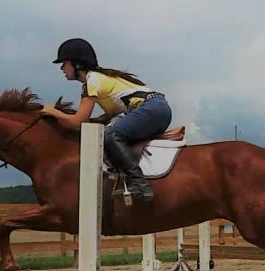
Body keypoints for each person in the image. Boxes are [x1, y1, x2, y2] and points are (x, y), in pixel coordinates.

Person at [41, 38, 172, 201]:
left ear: (77, 64)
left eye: (64, 63)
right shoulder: (100, 79)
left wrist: (52, 111)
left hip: (151, 109)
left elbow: (77, 122)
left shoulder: (92, 81)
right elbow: (101, 119)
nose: (62, 68)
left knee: (110, 135)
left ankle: (139, 183)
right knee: (110, 131)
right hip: (157, 110)